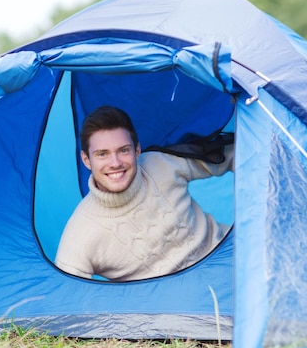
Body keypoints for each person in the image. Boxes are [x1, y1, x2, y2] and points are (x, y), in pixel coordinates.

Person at [55, 106, 234, 281]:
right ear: (86, 160)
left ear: (137, 150)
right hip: (188, 307)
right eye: (102, 154)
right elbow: (67, 300)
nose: (115, 163)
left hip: (233, 256)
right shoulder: (80, 234)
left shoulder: (161, 163)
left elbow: (233, 153)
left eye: (123, 150)